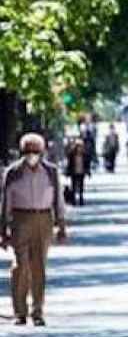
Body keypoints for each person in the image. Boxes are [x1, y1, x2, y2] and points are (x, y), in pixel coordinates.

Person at [1, 134, 69, 326]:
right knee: (20, 265)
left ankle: (37, 311)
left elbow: (58, 200)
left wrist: (61, 225)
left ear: (42, 152)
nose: (32, 155)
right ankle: (20, 312)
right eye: (28, 151)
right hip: (20, 219)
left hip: (44, 218)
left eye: (36, 151)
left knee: (39, 265)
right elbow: (6, 202)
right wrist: (3, 229)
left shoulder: (50, 172)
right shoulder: (13, 172)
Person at [63, 139, 89, 206]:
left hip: (81, 172)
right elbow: (69, 164)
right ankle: (73, 200)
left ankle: (81, 199)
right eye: (78, 146)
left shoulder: (85, 155)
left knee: (81, 186)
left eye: (80, 146)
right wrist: (67, 172)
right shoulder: (71, 155)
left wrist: (88, 171)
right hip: (74, 172)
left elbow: (87, 164)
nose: (79, 148)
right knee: (73, 186)